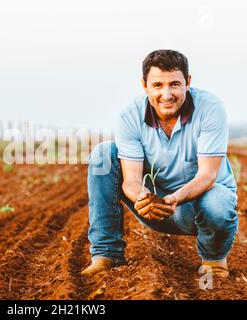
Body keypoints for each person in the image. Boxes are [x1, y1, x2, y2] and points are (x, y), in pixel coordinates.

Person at [81, 49, 238, 278]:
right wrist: (143, 197)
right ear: (144, 85)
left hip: (197, 210)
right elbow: (131, 180)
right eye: (157, 86)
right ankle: (107, 254)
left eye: (174, 84)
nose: (166, 95)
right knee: (103, 154)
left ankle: (213, 260)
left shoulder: (210, 109)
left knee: (218, 199)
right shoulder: (129, 116)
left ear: (188, 82)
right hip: (156, 209)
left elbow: (207, 176)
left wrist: (175, 199)